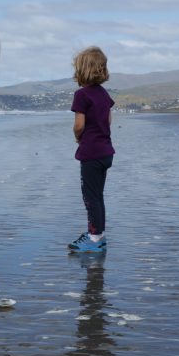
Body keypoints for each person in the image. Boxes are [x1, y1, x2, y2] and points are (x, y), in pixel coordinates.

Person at [69, 46, 115, 253]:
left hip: (91, 153)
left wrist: (78, 137)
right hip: (105, 151)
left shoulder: (82, 95)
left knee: (90, 196)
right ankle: (99, 235)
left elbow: (79, 124)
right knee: (98, 195)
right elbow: (108, 120)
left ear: (82, 70)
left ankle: (94, 238)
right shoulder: (104, 94)